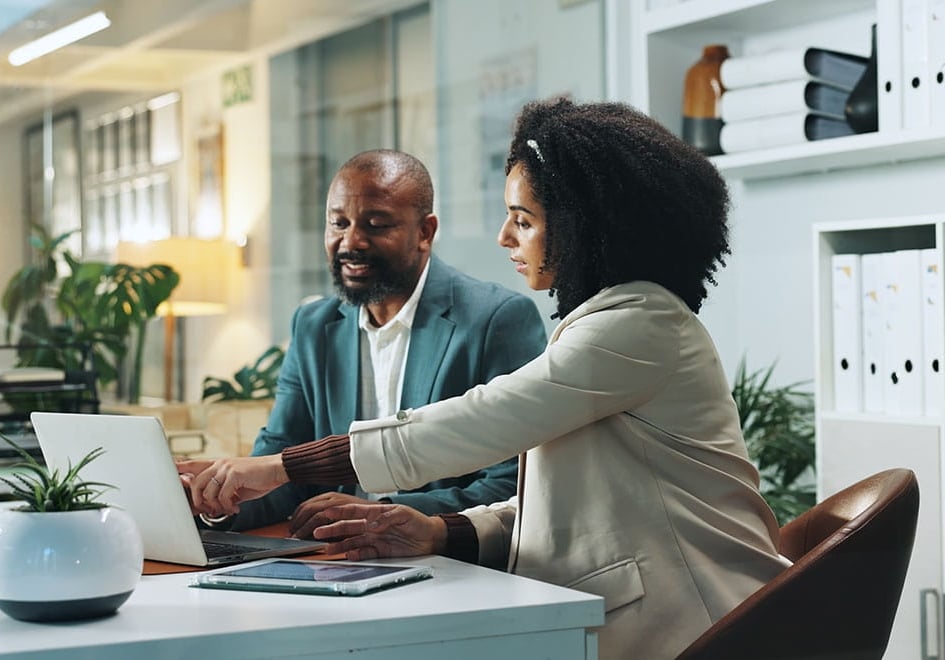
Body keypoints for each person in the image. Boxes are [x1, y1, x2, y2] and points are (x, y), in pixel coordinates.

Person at [179, 98, 790, 659]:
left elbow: (477, 422)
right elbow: (558, 509)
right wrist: (439, 531)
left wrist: (285, 467)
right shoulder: (605, 322)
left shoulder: (641, 324)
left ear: (584, 227)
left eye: (522, 221)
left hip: (702, 623)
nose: (503, 238)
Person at [207, 149, 546, 532]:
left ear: (425, 232)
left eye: (376, 224)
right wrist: (215, 503)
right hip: (331, 561)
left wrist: (382, 512)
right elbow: (280, 468)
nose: (352, 241)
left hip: (445, 562)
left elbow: (513, 482)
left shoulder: (496, 320)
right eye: (338, 223)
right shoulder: (314, 325)